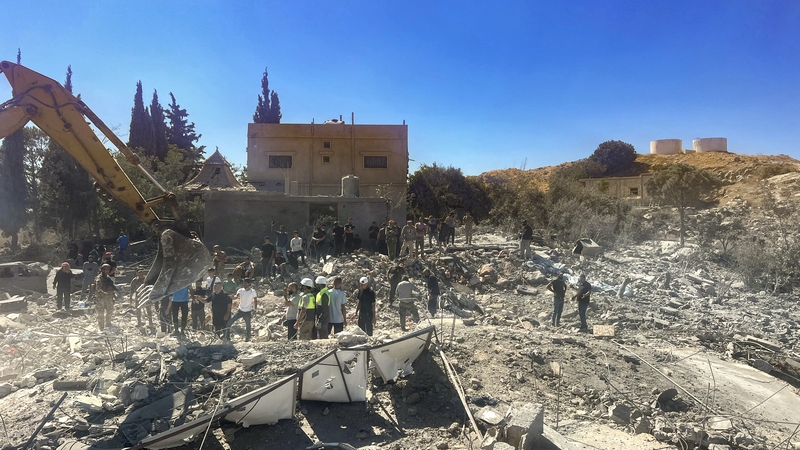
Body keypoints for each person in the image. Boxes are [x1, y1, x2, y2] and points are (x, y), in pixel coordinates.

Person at [93, 264, 118, 330]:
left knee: (110, 310)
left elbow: (111, 287)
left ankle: (108, 324)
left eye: (108, 269)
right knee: (100, 313)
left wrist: (113, 295)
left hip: (108, 298)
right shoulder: (99, 278)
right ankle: (101, 327)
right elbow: (98, 289)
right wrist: (104, 294)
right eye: (106, 269)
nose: (107, 271)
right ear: (102, 270)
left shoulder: (108, 278)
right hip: (100, 298)